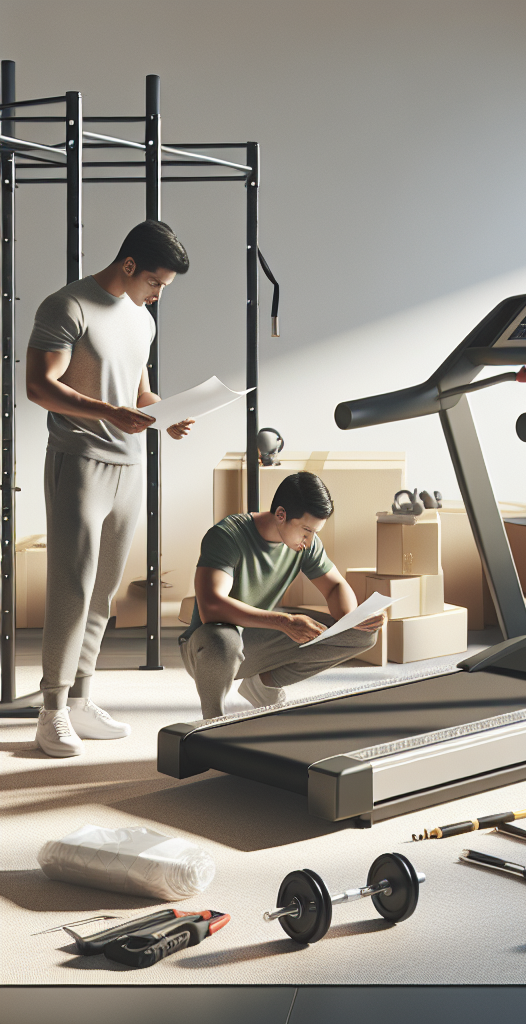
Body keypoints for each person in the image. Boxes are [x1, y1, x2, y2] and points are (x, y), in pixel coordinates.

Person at [26, 219, 195, 757]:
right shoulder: (67, 307)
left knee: (103, 592)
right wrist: (107, 412)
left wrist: (164, 414)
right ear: (129, 265)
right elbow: (38, 387)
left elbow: (137, 390)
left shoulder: (141, 319)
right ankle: (50, 710)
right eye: (156, 282)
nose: (159, 294)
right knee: (71, 590)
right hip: (79, 461)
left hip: (130, 464)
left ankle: (80, 698)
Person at [180, 472, 384, 719]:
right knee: (224, 641)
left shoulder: (305, 544)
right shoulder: (227, 535)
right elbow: (211, 607)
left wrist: (353, 618)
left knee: (361, 636)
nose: (309, 540)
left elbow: (334, 586)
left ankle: (263, 685)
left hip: (255, 640)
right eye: (306, 530)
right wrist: (283, 622)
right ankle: (212, 723)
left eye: (315, 532)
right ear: (280, 514)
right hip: (208, 646)